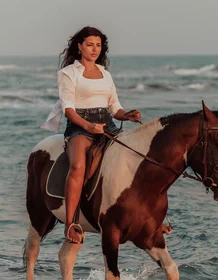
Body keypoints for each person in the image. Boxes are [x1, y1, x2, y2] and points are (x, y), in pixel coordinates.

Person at [41, 26, 142, 244]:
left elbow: (115, 107)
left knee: (136, 160)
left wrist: (128, 115)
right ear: (79, 47)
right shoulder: (69, 73)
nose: (95, 49)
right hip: (79, 127)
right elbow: (68, 109)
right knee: (78, 166)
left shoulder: (105, 74)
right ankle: (70, 224)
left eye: (98, 45)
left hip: (107, 124)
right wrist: (88, 127)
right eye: (89, 45)